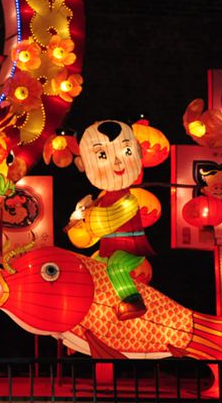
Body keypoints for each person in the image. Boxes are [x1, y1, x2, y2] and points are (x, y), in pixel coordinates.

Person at [65, 120, 154, 320]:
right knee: (89, 267)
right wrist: (78, 222)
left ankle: (134, 302)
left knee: (117, 266)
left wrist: (87, 218)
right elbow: (88, 237)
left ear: (138, 153)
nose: (118, 162)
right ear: (82, 164)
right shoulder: (99, 201)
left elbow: (102, 226)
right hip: (107, 251)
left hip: (131, 251)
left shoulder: (129, 201)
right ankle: (88, 307)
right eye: (102, 155)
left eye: (126, 151)